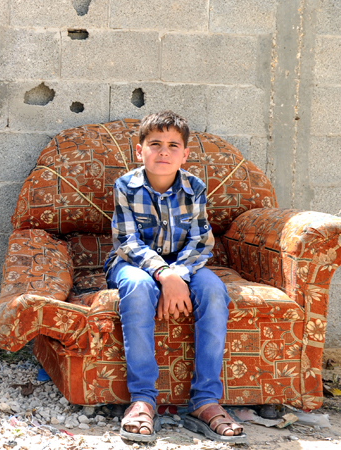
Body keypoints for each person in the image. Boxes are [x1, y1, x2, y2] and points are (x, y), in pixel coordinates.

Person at [103, 111, 246, 443]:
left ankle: (205, 400)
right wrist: (162, 273)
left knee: (213, 289)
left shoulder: (194, 187)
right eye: (155, 144)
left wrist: (177, 274)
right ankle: (142, 399)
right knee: (138, 288)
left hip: (185, 266)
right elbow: (127, 241)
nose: (163, 152)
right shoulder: (125, 185)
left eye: (172, 146)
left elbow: (200, 240)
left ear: (185, 154)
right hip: (133, 265)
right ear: (139, 151)